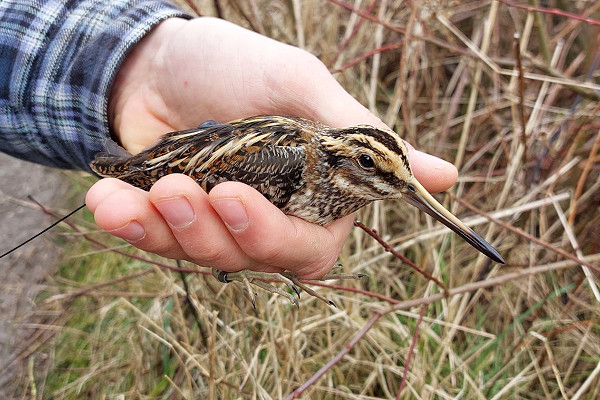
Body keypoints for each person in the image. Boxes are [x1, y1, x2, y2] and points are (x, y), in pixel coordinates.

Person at [0, 0, 457, 279]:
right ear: (342, 160)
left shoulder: (334, 173)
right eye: (373, 170)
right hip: (167, 161)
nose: (407, 191)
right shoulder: (290, 164)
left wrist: (141, 61)